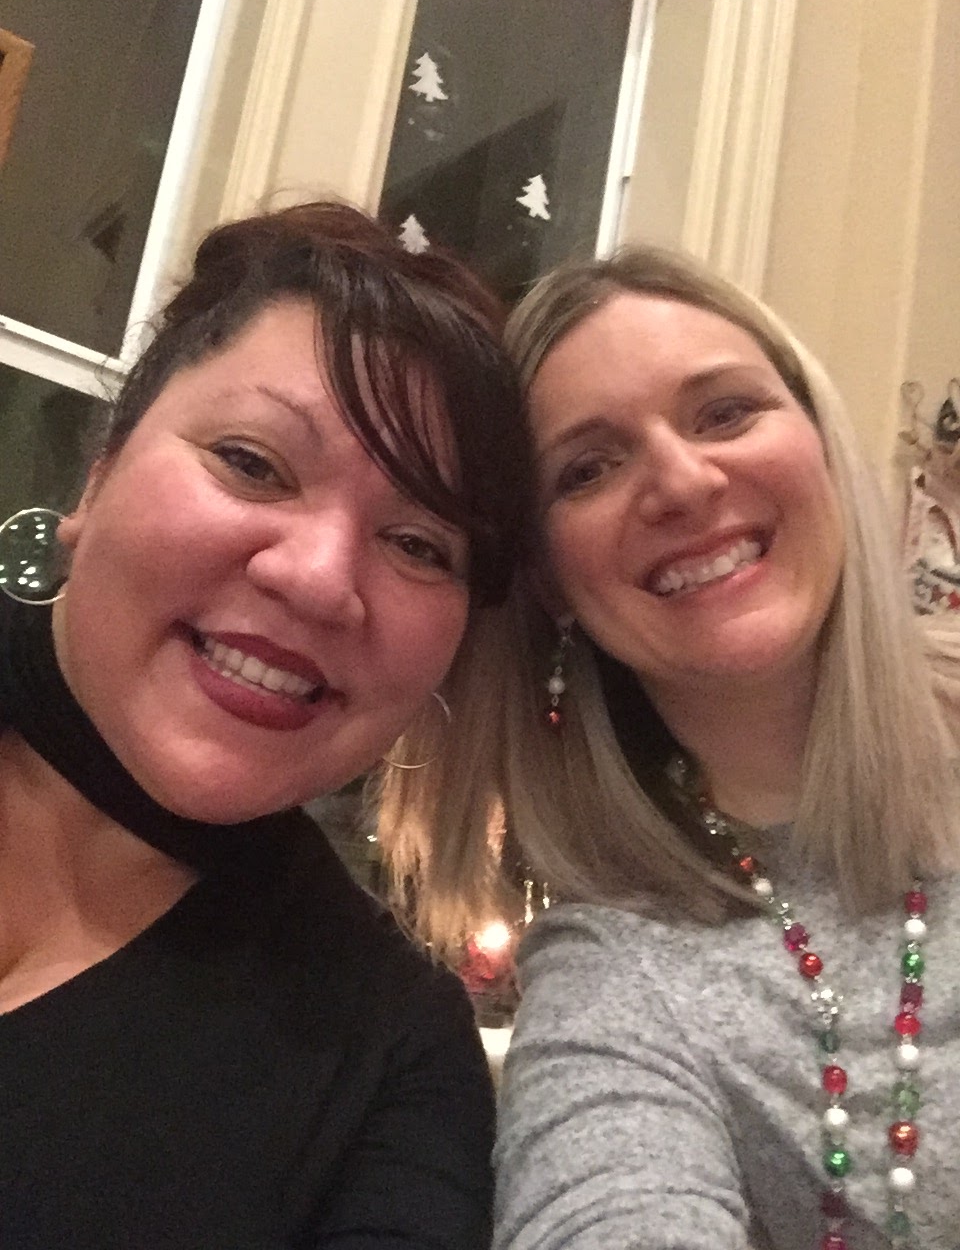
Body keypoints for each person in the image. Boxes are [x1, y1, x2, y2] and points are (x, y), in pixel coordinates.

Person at [378, 245, 960, 1249]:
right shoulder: (616, 975)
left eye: (725, 413)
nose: (683, 481)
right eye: (587, 468)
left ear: (821, 444)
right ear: (549, 582)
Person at [0, 200, 533, 1248]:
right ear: (100, 473)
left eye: (419, 545)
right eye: (252, 462)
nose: (321, 578)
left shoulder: (391, 1062)